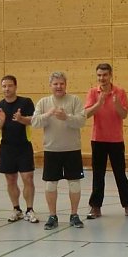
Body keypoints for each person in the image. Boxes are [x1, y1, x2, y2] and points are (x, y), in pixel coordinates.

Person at [31, 72, 86, 230]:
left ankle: (74, 215)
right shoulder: (43, 102)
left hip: (72, 149)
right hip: (51, 150)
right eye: (55, 84)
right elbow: (34, 122)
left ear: (65, 85)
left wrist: (66, 117)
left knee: (74, 184)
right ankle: (52, 216)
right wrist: (48, 115)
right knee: (50, 185)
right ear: (50, 86)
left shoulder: (74, 100)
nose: (59, 86)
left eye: (61, 83)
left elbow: (82, 121)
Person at [84, 63, 128, 220]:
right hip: (98, 139)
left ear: (111, 75)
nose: (102, 78)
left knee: (120, 174)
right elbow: (86, 114)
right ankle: (95, 207)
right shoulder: (93, 92)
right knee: (98, 174)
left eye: (105, 75)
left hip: (116, 140)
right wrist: (99, 103)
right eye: (99, 75)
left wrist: (117, 104)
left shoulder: (120, 92)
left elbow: (124, 115)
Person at [0, 75, 38, 223]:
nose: (7, 89)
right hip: (6, 148)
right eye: (4, 86)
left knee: (27, 178)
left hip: (24, 146)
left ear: (15, 87)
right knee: (11, 180)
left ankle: (29, 209)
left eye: (10, 86)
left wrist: (21, 119)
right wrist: (2, 120)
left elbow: (34, 120)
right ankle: (16, 208)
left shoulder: (26, 102)